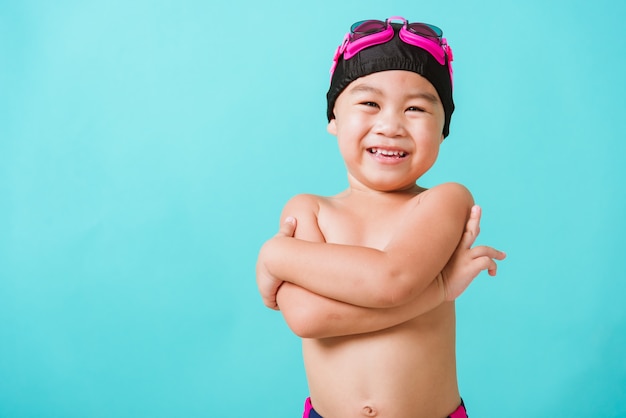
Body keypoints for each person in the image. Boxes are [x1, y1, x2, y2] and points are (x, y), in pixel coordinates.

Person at [256, 16, 506, 418]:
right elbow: (307, 317)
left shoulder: (445, 201)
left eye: (416, 109)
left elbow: (391, 279)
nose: (390, 125)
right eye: (370, 103)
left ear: (444, 128)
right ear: (334, 119)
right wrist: (438, 291)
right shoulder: (309, 209)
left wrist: (273, 255)